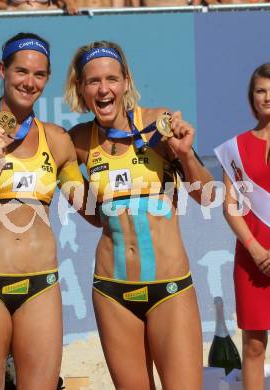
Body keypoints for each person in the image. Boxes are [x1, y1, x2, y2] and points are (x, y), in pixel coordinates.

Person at [64, 40, 214, 389]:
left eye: (112, 79)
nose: (104, 89)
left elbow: (206, 197)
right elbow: (91, 213)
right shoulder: (77, 141)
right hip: (112, 291)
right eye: (93, 81)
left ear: (127, 81)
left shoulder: (158, 124)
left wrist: (187, 156)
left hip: (169, 288)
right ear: (80, 89)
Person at [0, 32, 87, 389]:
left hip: (40, 287)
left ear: (48, 78)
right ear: (2, 69)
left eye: (39, 75)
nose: (29, 82)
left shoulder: (57, 139)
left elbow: (92, 208)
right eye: (21, 71)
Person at [215, 63, 270, 390]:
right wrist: (255, 249)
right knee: (253, 344)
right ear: (251, 97)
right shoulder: (233, 149)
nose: (267, 97)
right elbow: (230, 206)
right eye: (261, 90)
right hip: (252, 258)